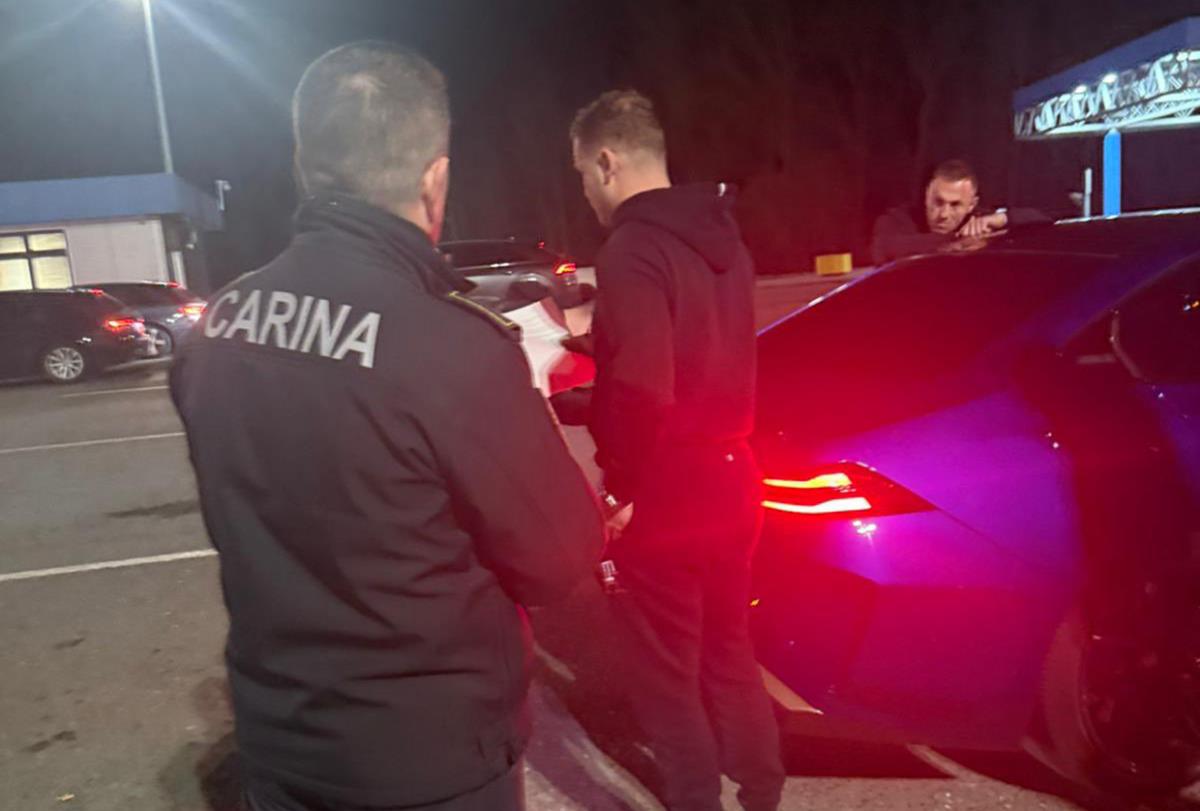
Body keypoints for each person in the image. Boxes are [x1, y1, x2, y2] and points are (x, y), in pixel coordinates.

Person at [170, 42, 605, 811]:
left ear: (306, 164)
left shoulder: (217, 327)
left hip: (281, 743)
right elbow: (558, 562)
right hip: (428, 761)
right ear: (435, 178)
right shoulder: (451, 345)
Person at [568, 89, 786, 811]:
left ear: (608, 161)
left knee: (666, 674)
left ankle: (695, 799)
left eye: (583, 174)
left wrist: (621, 488)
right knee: (728, 649)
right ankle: (762, 790)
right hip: (734, 473)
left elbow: (642, 386)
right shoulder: (727, 242)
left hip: (669, 488)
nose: (586, 192)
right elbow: (701, 358)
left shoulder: (633, 249)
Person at [871, 158, 1046, 264]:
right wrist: (961, 240)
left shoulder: (980, 220)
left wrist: (1003, 218)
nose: (943, 215)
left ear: (971, 205)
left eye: (955, 205)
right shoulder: (898, 219)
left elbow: (1044, 219)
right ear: (926, 195)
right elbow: (884, 248)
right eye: (938, 202)